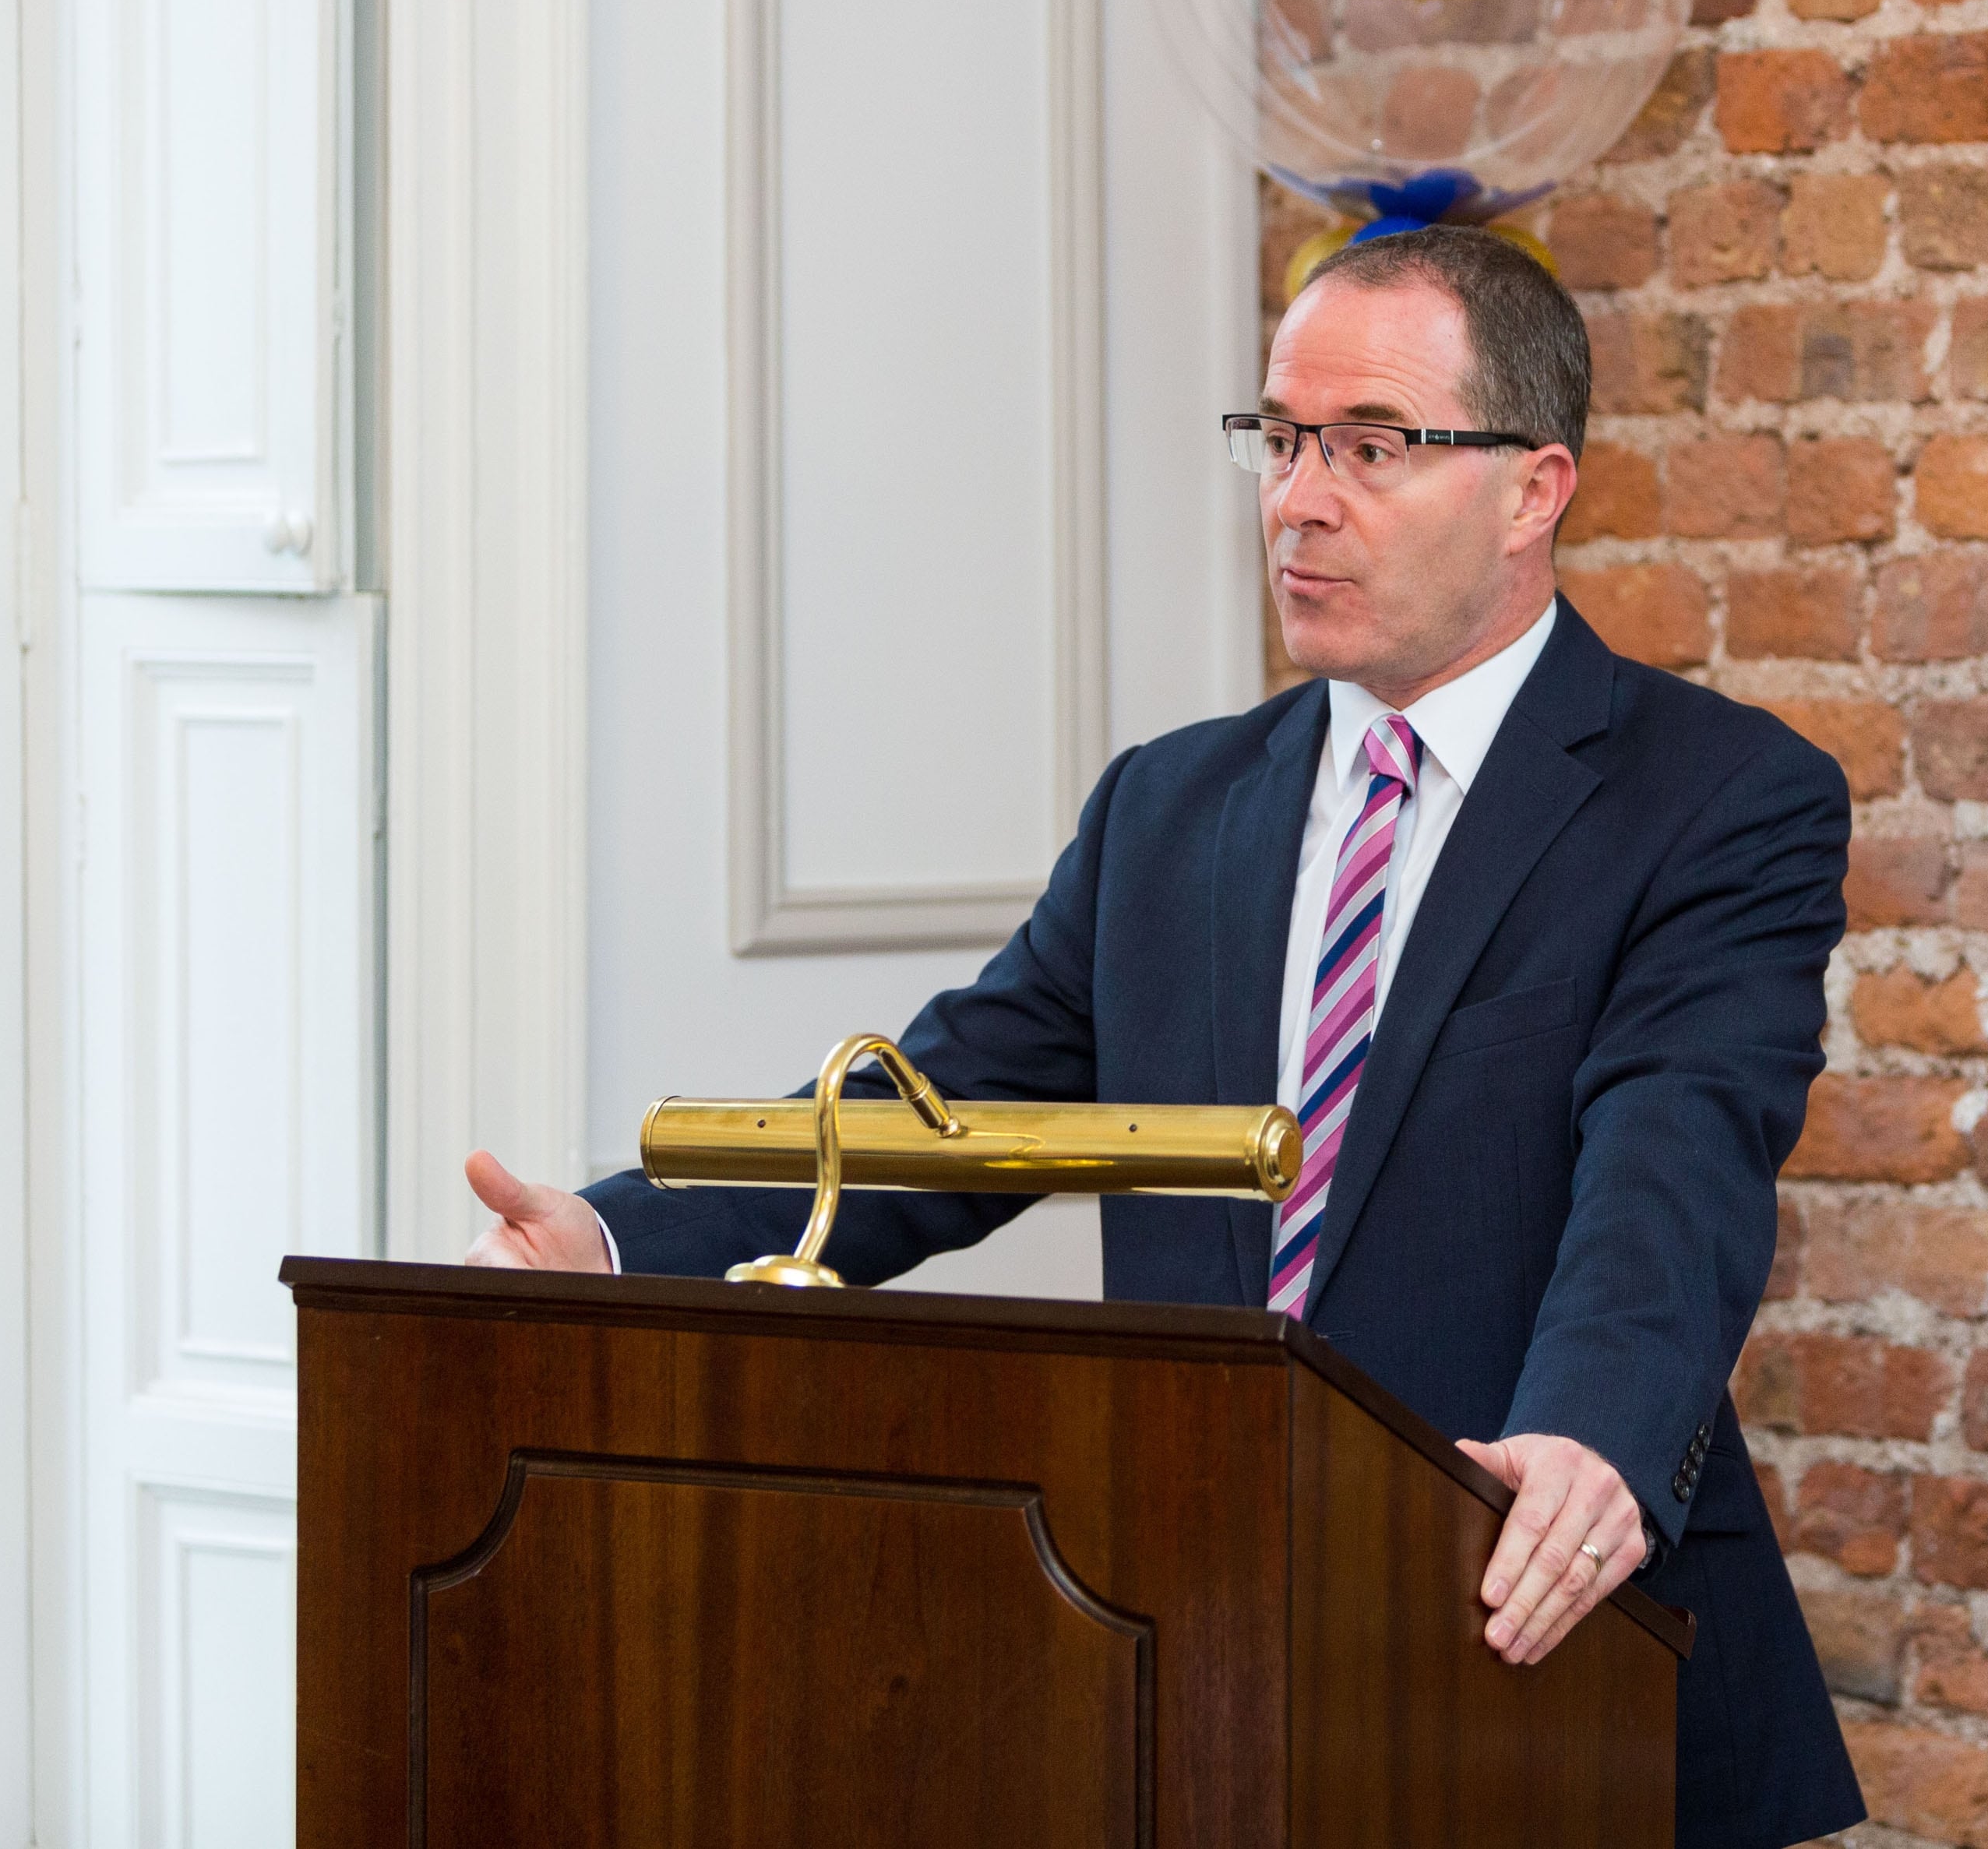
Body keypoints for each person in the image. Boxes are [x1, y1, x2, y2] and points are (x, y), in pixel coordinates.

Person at [464, 225, 1864, 1849]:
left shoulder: (1717, 799)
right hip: (1194, 1661)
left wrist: (1587, 1441)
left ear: (1532, 489)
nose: (1297, 498)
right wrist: (620, 1246)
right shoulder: (1170, 805)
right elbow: (948, 1107)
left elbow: (1673, 1152)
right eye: (1276, 440)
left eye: (1370, 447)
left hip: (1545, 1642)